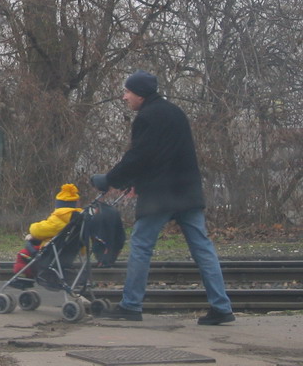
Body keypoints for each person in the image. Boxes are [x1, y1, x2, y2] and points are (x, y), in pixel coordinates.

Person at [91, 70, 235, 325]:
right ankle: (222, 307)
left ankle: (131, 305)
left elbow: (140, 156)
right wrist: (136, 182)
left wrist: (111, 179)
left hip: (160, 196)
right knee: (202, 248)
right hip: (187, 192)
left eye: (127, 92)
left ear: (139, 94)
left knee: (141, 247)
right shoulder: (175, 112)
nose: (124, 97)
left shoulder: (147, 117)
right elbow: (162, 154)